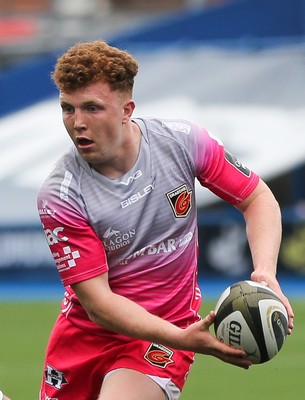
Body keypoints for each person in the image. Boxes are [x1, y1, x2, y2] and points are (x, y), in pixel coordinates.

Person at [32, 40, 293, 400]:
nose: (77, 123)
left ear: (127, 109)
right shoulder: (61, 195)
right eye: (67, 108)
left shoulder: (183, 143)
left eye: (92, 108)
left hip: (163, 335)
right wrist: (186, 339)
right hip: (85, 335)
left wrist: (265, 272)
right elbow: (99, 304)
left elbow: (257, 198)